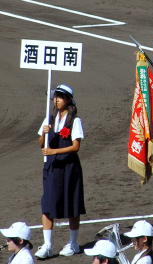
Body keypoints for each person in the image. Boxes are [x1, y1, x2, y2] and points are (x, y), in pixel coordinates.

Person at [36, 84, 86, 258]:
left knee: (72, 204)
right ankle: (48, 244)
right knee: (47, 204)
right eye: (55, 96)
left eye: (60, 96)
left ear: (68, 100)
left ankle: (73, 243)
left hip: (69, 168)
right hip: (52, 168)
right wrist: (44, 133)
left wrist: (54, 151)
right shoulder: (48, 119)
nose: (56, 100)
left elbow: (76, 146)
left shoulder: (75, 121)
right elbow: (42, 144)